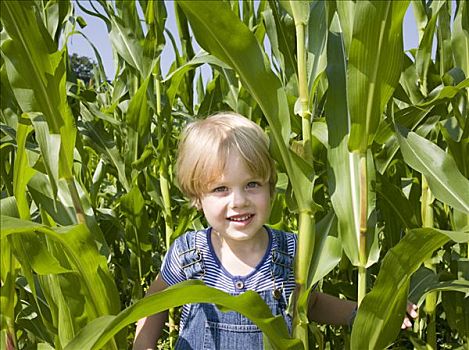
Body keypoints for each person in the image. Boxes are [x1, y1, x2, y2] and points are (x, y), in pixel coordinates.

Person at [133, 112, 417, 350]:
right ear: (197, 197)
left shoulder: (291, 250)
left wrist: (373, 312)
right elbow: (153, 305)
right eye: (221, 189)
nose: (239, 201)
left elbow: (313, 304)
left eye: (252, 184)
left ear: (271, 186)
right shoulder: (188, 254)